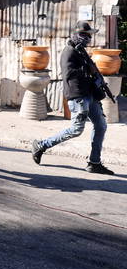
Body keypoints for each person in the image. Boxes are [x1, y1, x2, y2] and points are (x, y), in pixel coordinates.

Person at [31, 22, 113, 175]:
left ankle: (94, 163)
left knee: (101, 125)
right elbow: (69, 75)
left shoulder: (81, 51)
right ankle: (41, 145)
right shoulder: (69, 52)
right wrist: (88, 74)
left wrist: (97, 79)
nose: (88, 38)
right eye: (86, 35)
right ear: (78, 35)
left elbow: (91, 70)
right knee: (76, 129)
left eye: (89, 35)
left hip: (89, 95)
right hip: (78, 96)